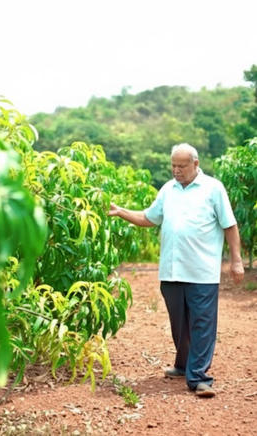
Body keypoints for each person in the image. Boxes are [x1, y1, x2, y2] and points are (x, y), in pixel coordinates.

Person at [108, 143, 244, 398]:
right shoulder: (168, 190)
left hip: (202, 271)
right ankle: (183, 365)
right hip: (171, 272)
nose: (176, 170)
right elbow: (149, 218)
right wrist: (120, 212)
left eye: (182, 166)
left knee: (202, 324)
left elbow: (230, 225)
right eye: (173, 165)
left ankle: (199, 378)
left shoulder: (213, 188)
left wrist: (236, 261)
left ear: (195, 164)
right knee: (179, 325)